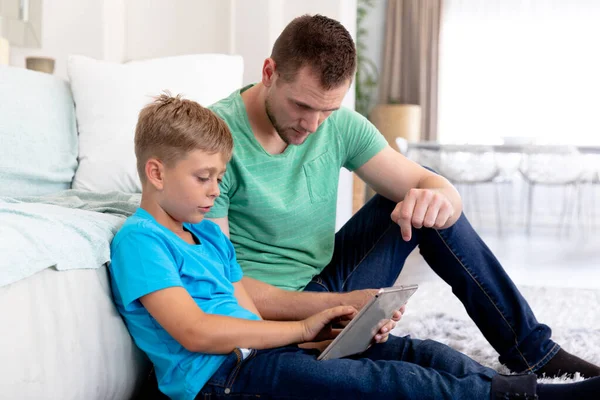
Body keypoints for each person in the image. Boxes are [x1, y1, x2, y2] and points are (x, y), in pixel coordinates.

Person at [110, 93, 600, 400]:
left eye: (219, 177)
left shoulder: (207, 235)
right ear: (156, 172)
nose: (218, 191)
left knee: (419, 354)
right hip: (224, 378)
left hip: (262, 349)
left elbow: (243, 311)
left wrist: (321, 329)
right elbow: (195, 332)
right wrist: (302, 327)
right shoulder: (141, 240)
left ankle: (523, 386)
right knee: (390, 383)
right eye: (205, 178)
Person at [205, 13, 600, 379]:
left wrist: (437, 198)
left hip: (327, 282)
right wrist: (334, 306)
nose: (312, 125)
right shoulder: (211, 143)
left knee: (425, 194)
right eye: (302, 106)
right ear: (269, 72)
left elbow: (439, 190)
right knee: (421, 367)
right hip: (267, 309)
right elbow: (225, 287)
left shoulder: (338, 126)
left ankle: (534, 352)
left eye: (327, 110)